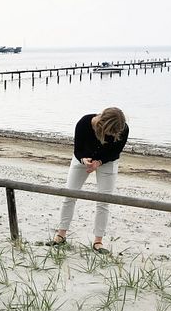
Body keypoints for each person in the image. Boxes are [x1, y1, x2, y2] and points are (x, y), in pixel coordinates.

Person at [47, 107, 129, 254]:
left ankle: (98, 241)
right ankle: (61, 234)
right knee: (69, 195)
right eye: (110, 132)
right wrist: (84, 159)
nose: (113, 135)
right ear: (102, 123)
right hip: (82, 159)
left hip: (108, 162)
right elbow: (77, 149)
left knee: (103, 200)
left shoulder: (123, 129)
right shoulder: (84, 123)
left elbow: (115, 151)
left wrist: (100, 162)